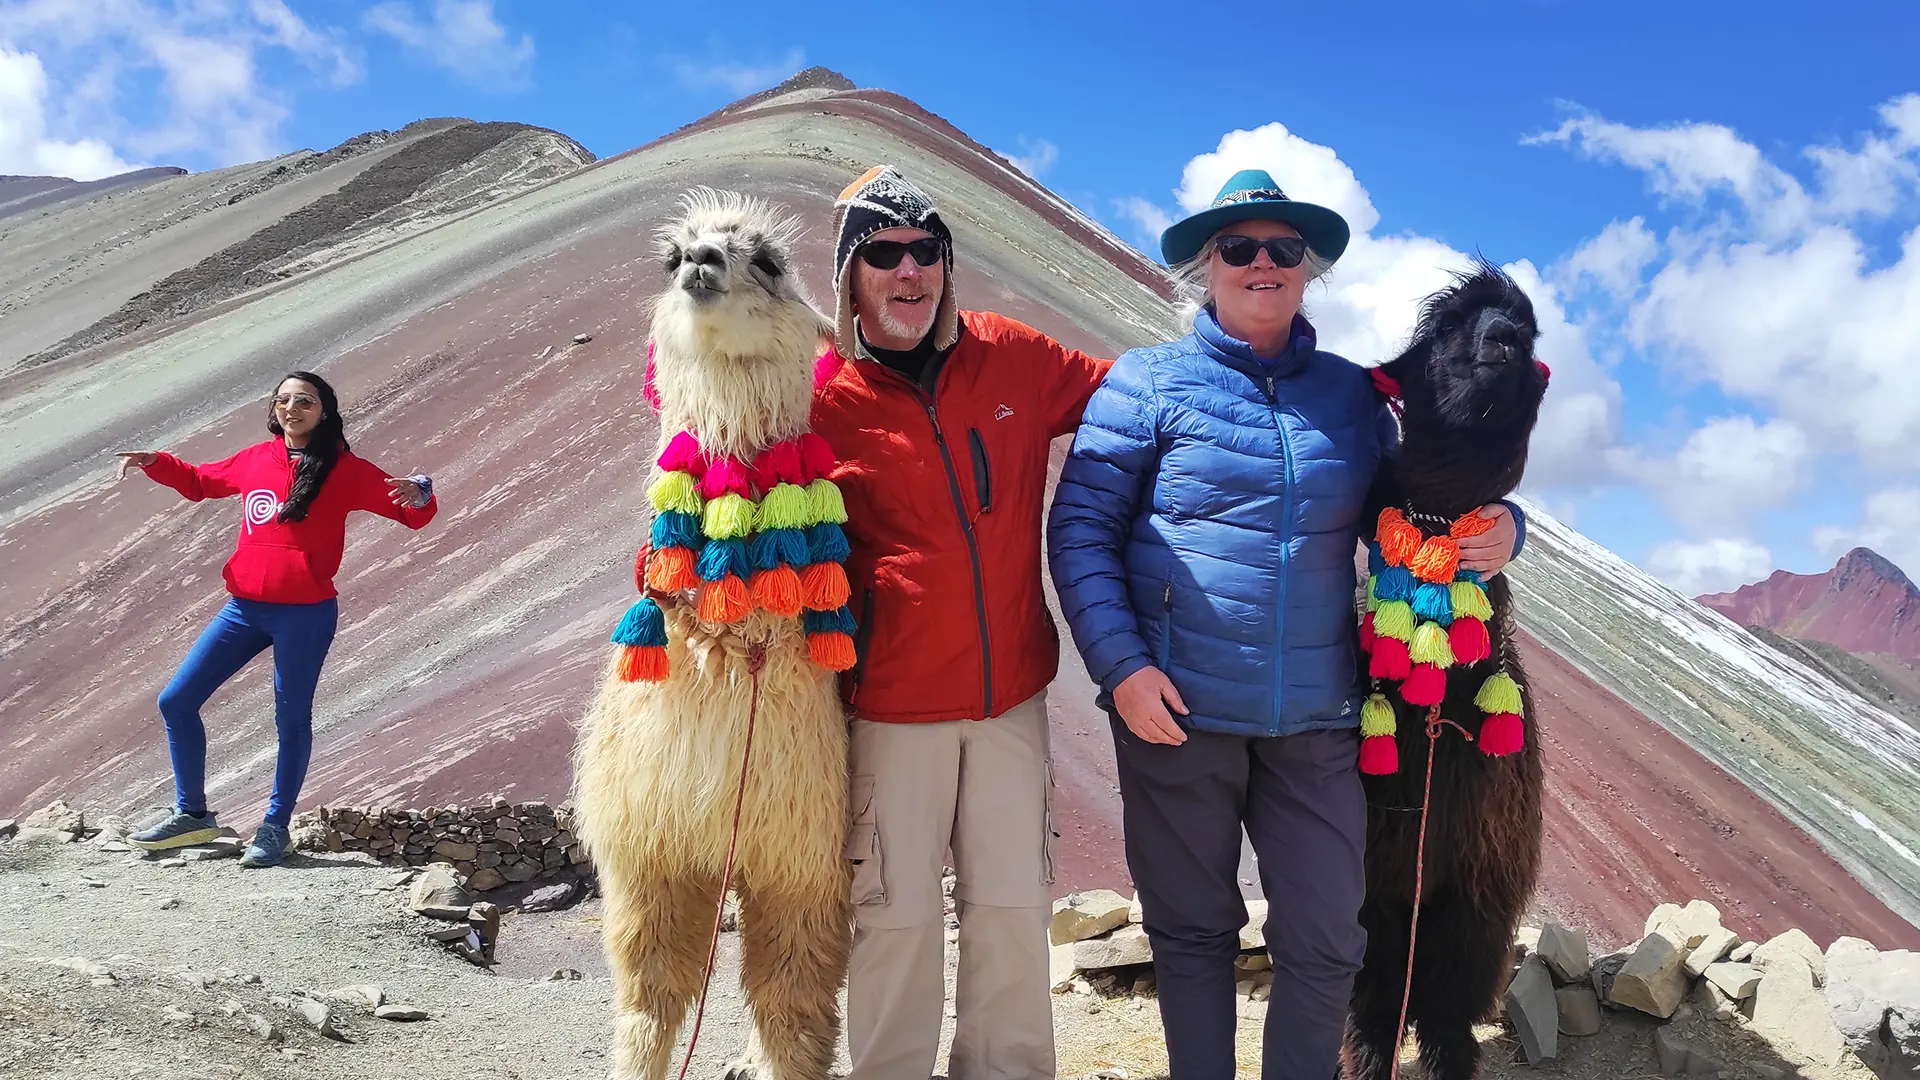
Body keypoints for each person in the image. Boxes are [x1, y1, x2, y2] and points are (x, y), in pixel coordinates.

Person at [1045, 169, 1526, 1080]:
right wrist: (1123, 668)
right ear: (1205, 267)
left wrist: (1508, 526)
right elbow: (1080, 532)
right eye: (1239, 248)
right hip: (1176, 712)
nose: (1262, 263)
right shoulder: (1144, 384)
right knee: (1192, 935)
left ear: (1309, 272)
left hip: (1317, 719)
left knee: (1325, 938)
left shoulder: (1351, 399)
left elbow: (1423, 499)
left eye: (1283, 249)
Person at [809, 166, 1111, 1080]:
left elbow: (1137, 408)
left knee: (1015, 911)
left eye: (926, 252)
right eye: (885, 254)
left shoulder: (1014, 357)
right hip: (890, 712)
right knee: (894, 920)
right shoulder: (820, 403)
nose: (910, 273)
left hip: (1011, 699)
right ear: (850, 279)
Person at [115, 371, 438, 867]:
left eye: (304, 401)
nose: (292, 408)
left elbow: (412, 514)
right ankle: (193, 815)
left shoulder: (347, 469)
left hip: (305, 615)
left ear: (324, 412)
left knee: (290, 720)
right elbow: (201, 483)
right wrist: (158, 463)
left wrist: (421, 492)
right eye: (283, 400)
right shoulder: (254, 460)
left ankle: (275, 828)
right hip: (243, 608)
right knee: (176, 700)